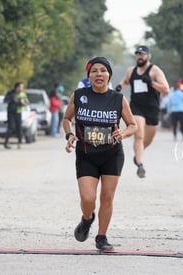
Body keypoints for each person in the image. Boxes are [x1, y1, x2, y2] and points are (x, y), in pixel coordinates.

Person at [62, 57, 137, 251]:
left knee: (107, 197)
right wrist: (69, 134)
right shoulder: (79, 96)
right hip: (86, 153)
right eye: (94, 71)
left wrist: (124, 132)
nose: (99, 74)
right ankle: (87, 219)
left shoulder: (118, 99)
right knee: (88, 199)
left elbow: (133, 125)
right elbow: (66, 118)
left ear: (109, 75)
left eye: (103, 70)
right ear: (89, 76)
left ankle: (102, 237)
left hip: (112, 153)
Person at [115, 45, 169, 178]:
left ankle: (138, 156)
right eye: (138, 54)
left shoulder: (154, 71)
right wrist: (120, 86)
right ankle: (140, 165)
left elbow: (166, 89)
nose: (140, 57)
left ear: (148, 56)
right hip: (136, 107)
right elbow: (126, 81)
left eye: (143, 54)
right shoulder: (131, 70)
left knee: (148, 139)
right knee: (139, 135)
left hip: (152, 109)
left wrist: (151, 83)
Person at [3, 82, 29, 149]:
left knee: (19, 128)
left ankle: (19, 143)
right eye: (21, 87)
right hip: (11, 112)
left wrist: (23, 103)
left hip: (18, 112)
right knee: (11, 127)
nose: (22, 88)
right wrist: (12, 100)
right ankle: (6, 142)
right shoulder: (10, 93)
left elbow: (27, 102)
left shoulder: (23, 94)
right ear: (17, 87)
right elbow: (5, 101)